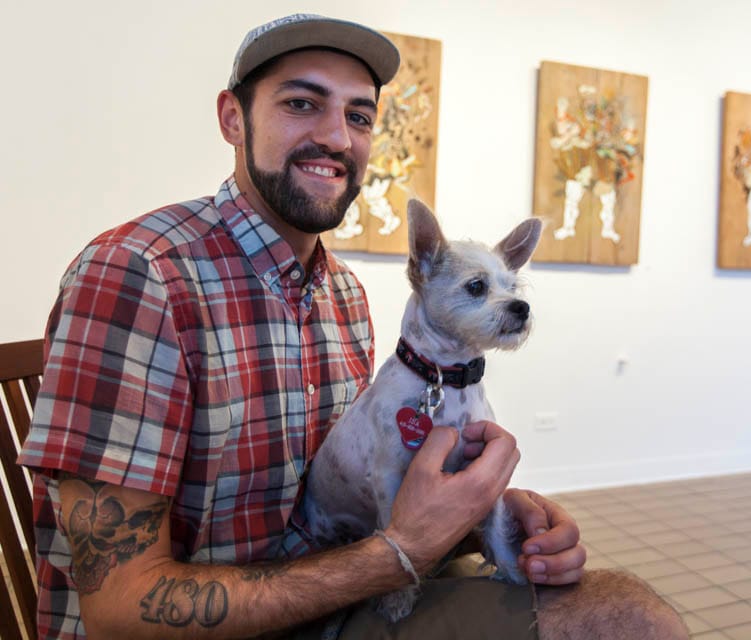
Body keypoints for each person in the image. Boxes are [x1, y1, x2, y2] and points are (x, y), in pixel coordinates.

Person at [18, 14, 688, 640]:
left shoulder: (340, 291)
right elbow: (116, 606)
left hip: (337, 605)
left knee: (617, 607)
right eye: (301, 103)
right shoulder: (139, 277)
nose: (337, 137)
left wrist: (485, 514)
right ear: (232, 118)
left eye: (358, 116)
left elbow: (360, 487)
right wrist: (398, 553)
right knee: (627, 618)